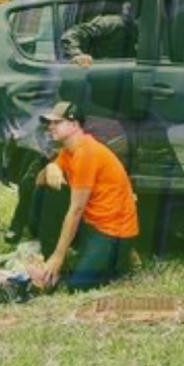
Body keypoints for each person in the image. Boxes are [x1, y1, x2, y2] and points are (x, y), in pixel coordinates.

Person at [33, 101, 139, 291]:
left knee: (78, 286)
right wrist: (51, 167)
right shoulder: (68, 150)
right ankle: (53, 267)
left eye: (57, 122)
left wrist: (59, 256)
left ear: (74, 125)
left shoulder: (86, 152)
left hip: (112, 231)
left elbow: (76, 210)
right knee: (47, 190)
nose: (50, 127)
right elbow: (38, 182)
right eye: (49, 123)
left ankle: (123, 258)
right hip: (92, 222)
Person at [61, 5, 137, 68]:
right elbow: (72, 34)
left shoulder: (145, 34)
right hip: (96, 72)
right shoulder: (112, 23)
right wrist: (77, 55)